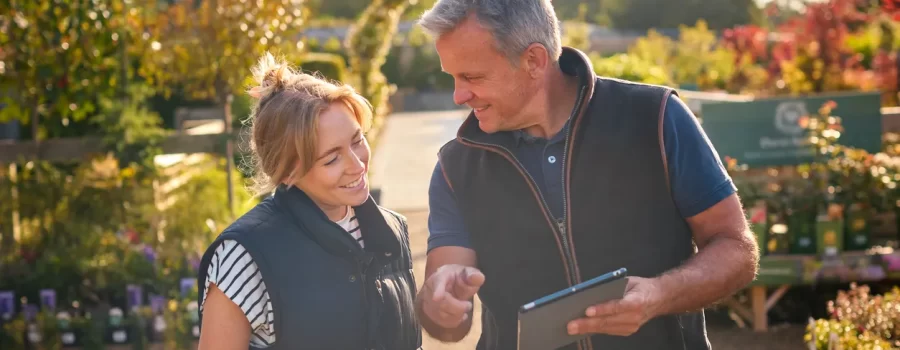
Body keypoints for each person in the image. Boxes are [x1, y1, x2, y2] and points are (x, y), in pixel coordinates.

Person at [414, 0, 760, 349]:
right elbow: (446, 319)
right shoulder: (455, 167)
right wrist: (439, 304)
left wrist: (659, 294)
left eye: (472, 76)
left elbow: (736, 247)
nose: (458, 95)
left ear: (534, 60)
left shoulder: (655, 119)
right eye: (453, 77)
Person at [195, 53, 422, 350]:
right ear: (288, 172)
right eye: (332, 159)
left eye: (357, 141)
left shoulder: (392, 230)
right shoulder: (244, 256)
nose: (357, 165)